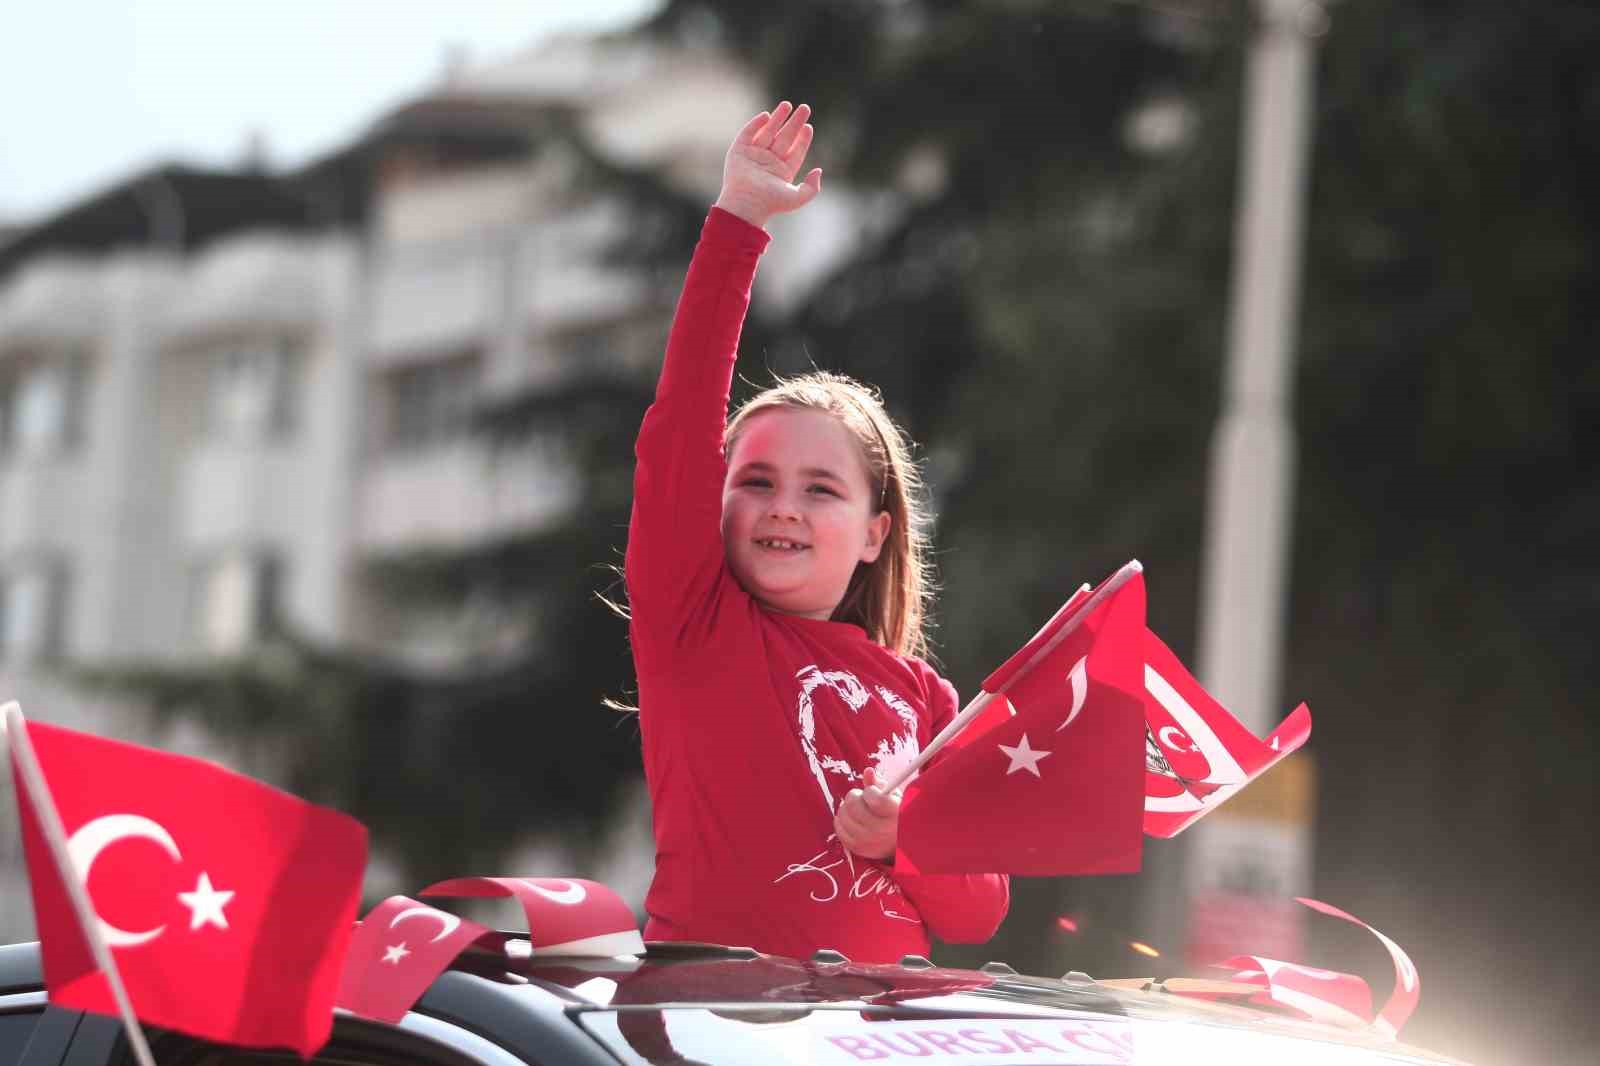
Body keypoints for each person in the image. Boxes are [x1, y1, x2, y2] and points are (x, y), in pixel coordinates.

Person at [626, 101, 1009, 963]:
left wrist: (902, 836)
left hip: (874, 1043)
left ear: (876, 534)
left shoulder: (930, 702)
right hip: (707, 1029)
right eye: (754, 481)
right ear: (714, 504)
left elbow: (979, 913)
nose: (783, 507)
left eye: (821, 488)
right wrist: (739, 224)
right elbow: (681, 426)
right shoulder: (695, 628)